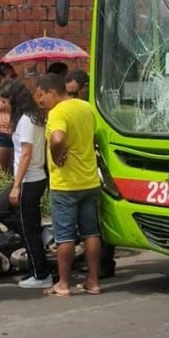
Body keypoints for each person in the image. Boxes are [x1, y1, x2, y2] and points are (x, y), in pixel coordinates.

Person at [32, 74, 103, 297]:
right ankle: (93, 281)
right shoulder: (86, 107)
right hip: (90, 180)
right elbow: (96, 135)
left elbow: (57, 138)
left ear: (51, 92)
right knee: (91, 233)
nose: (40, 102)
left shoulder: (58, 112)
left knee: (65, 236)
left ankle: (63, 284)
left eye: (41, 97)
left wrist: (56, 155)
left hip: (66, 185)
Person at [0, 79, 52, 288]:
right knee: (0, 209)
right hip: (30, 179)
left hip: (29, 179)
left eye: (4, 101)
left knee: (28, 228)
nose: (2, 105)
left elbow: (26, 153)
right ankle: (40, 236)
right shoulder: (28, 117)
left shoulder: (27, 120)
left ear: (14, 99)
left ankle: (41, 274)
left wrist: (16, 185)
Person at [64, 69, 115, 279]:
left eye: (75, 93)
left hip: (102, 169)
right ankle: (99, 263)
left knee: (99, 222)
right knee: (92, 224)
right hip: (85, 171)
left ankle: (104, 263)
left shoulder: (97, 107)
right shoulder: (79, 108)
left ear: (86, 88)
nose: (72, 98)